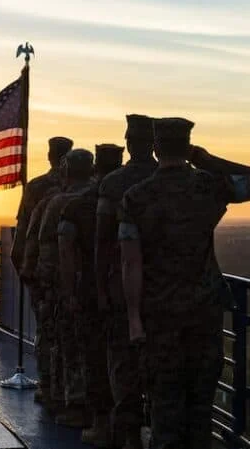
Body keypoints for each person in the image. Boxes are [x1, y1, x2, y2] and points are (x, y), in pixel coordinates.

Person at [119, 117, 250, 448]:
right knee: (200, 415)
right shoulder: (208, 186)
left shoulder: (136, 197)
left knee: (164, 412)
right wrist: (206, 160)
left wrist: (134, 320)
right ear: (187, 146)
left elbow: (130, 262)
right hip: (204, 316)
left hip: (158, 319)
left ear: (156, 148)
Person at [96, 115, 157, 449]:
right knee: (167, 379)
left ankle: (129, 439)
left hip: (122, 292)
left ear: (130, 144)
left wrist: (101, 289)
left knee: (124, 372)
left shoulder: (114, 185)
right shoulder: (187, 182)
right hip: (171, 298)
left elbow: (103, 244)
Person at [55, 148, 113, 445]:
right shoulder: (131, 197)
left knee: (91, 357)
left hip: (90, 293)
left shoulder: (72, 206)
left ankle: (96, 420)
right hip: (131, 296)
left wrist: (68, 293)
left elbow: (64, 252)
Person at [13, 136, 73, 406]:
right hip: (83, 280)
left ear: (50, 156)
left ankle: (50, 390)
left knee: (48, 334)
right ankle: (74, 396)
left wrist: (26, 271)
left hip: (46, 277)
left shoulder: (37, 188)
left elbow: (23, 235)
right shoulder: (91, 189)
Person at [37, 153, 88, 426]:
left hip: (64, 287)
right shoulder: (97, 199)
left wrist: (46, 287)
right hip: (96, 288)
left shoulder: (57, 203)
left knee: (64, 345)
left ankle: (68, 403)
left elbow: (47, 249)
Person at [11, 137, 74, 272]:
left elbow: (23, 226)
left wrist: (21, 263)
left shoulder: (35, 186)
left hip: (43, 264)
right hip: (76, 264)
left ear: (49, 156)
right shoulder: (87, 186)